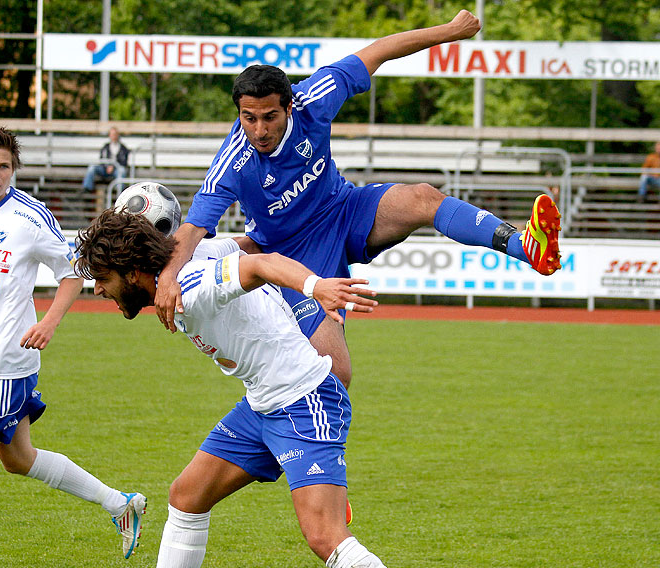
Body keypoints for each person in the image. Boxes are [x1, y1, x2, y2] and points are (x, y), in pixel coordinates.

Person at [77, 208, 452, 568]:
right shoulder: (187, 265)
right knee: (186, 496)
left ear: (133, 273)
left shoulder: (192, 286)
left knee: (324, 535)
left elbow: (259, 264)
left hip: (304, 402)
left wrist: (314, 287)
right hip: (261, 404)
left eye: (103, 279)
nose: (99, 290)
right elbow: (245, 248)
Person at [154, 9, 562, 388]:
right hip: (294, 254)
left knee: (422, 197)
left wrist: (451, 31)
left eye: (269, 117)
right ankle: (274, 447)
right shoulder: (232, 163)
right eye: (249, 118)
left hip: (345, 210)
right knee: (336, 373)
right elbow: (192, 229)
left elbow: (379, 50)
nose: (259, 130)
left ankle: (526, 246)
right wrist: (169, 278)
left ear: (290, 106)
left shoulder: (315, 98)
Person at [0, 123, 145, 559]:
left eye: (4, 166)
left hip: (3, 361)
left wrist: (50, 321)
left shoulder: (28, 217)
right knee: (18, 458)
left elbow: (74, 270)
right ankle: (120, 504)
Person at [81, 126, 130, 193]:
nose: (113, 136)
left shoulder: (123, 148)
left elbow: (124, 162)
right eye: (112, 134)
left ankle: (119, 191)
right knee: (92, 168)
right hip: (104, 169)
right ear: (109, 135)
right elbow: (102, 159)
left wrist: (113, 166)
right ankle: (87, 187)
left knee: (122, 170)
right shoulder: (105, 147)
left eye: (115, 134)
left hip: (116, 170)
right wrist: (107, 166)